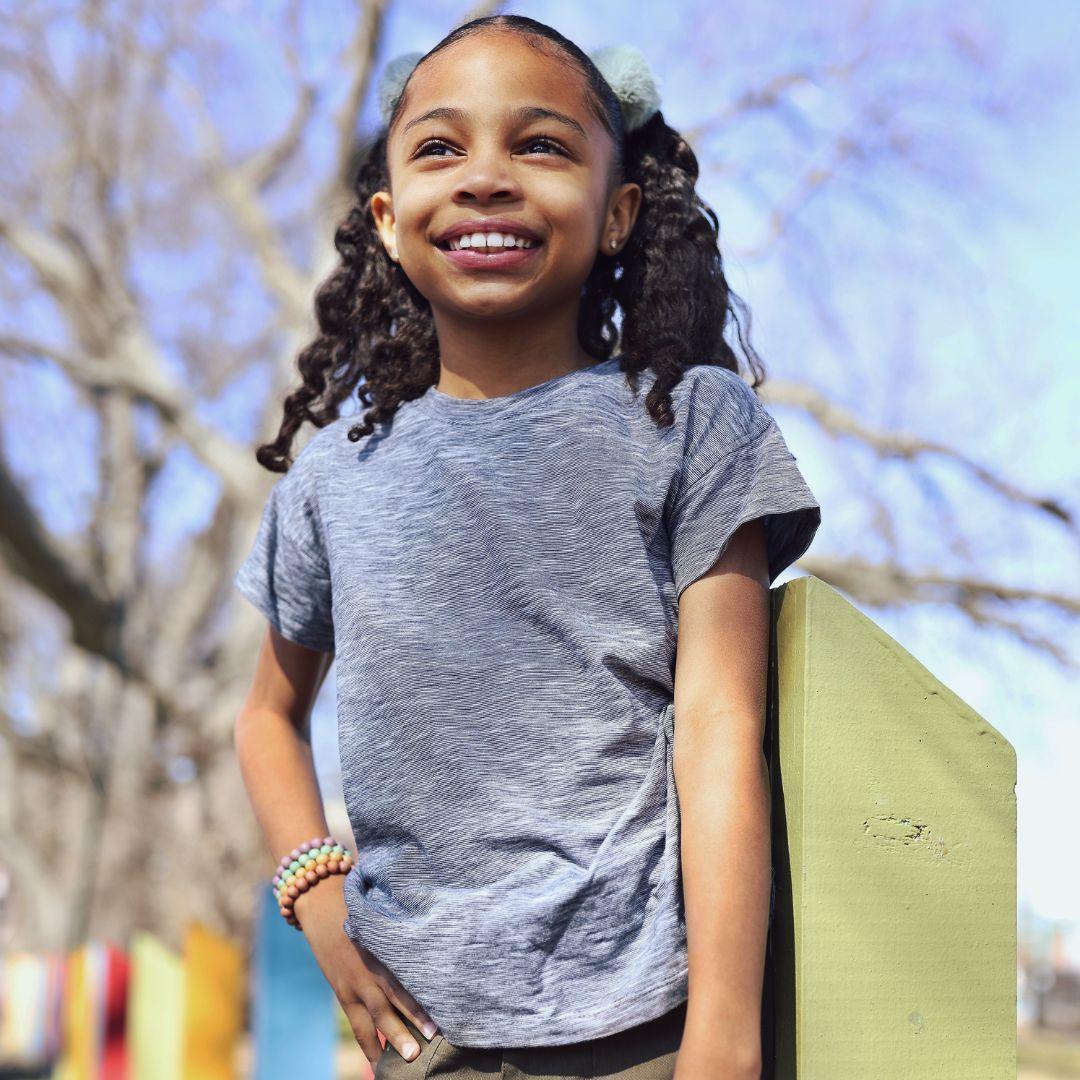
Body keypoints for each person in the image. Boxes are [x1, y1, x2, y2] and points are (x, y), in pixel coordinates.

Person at [232, 13, 822, 1080]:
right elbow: (267, 715)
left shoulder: (691, 424)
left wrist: (725, 1040)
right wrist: (317, 901)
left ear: (617, 213)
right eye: (440, 149)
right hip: (423, 1043)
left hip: (647, 1030)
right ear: (388, 217)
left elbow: (720, 724)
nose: (486, 178)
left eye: (541, 145)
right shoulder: (330, 480)